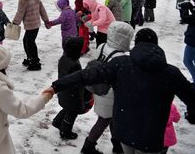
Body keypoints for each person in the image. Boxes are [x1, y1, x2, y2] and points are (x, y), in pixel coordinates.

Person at [47, 28, 195, 154]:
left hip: (124, 132)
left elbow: (86, 75)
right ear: (156, 46)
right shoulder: (170, 73)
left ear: (136, 44)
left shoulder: (121, 64)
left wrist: (57, 86)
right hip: (150, 136)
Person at [80, 21, 134, 154]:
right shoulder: (120, 57)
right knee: (104, 120)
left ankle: (117, 145)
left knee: (111, 118)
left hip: (99, 88)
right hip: (110, 92)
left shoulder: (102, 46)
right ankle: (88, 146)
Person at [52, 37, 86, 140]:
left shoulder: (64, 58)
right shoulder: (74, 64)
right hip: (72, 94)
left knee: (67, 108)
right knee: (72, 112)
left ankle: (57, 122)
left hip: (63, 91)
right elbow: (75, 80)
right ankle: (65, 132)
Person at [12, 0, 49, 71]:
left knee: (30, 43)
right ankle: (30, 58)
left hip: (30, 25)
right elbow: (42, 9)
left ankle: (35, 62)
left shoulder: (23, 0)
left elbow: (20, 13)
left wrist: (14, 23)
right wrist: (46, 20)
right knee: (27, 41)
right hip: (36, 25)